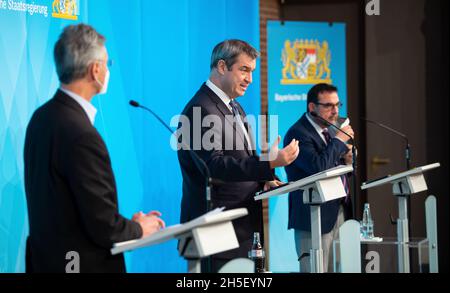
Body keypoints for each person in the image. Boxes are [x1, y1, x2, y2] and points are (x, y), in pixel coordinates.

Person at [23, 24, 165, 273]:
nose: (107, 71)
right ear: (95, 69)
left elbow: (71, 208)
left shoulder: (41, 117)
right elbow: (103, 226)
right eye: (107, 64)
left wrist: (127, 226)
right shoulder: (80, 134)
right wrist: (141, 228)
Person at [177, 39, 299, 272]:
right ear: (222, 67)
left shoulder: (233, 105)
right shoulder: (200, 108)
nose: (250, 79)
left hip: (240, 228)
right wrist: (268, 162)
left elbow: (236, 158)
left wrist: (263, 178)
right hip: (217, 231)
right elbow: (213, 166)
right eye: (244, 70)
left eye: (252, 71)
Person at [284, 83, 354, 273]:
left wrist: (347, 160)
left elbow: (333, 164)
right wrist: (339, 140)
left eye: (338, 105)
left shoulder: (330, 129)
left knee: (336, 269)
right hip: (313, 215)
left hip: (338, 210)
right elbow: (318, 168)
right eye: (328, 106)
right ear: (312, 107)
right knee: (315, 270)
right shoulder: (297, 133)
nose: (335, 111)